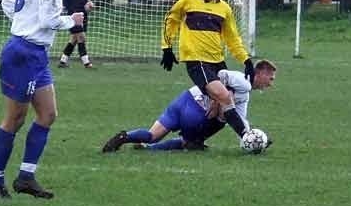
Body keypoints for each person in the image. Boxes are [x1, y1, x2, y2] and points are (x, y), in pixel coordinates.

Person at [0, 0, 85, 200]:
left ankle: (26, 177)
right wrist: (72, 21)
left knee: (48, 114)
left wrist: (23, 22)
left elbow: (7, 3)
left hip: (34, 53)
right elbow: (49, 20)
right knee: (14, 119)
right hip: (24, 53)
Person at [160, 0, 255, 142]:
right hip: (197, 61)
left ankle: (192, 140)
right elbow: (170, 21)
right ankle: (247, 136)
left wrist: (246, 60)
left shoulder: (224, 9)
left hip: (217, 62)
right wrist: (167, 47)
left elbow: (232, 39)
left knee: (221, 108)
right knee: (225, 97)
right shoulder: (187, 1)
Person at [102, 60, 277, 152]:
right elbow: (221, 74)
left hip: (184, 99)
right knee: (209, 128)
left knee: (151, 135)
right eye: (270, 79)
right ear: (260, 73)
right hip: (196, 110)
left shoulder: (244, 95)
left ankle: (124, 138)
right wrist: (218, 99)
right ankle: (189, 143)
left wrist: (251, 139)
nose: (271, 84)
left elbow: (241, 121)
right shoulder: (243, 82)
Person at [59, 0, 94, 68]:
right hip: (74, 15)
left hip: (84, 15)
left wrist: (89, 4)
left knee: (74, 38)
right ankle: (86, 62)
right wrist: (71, 12)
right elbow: (64, 0)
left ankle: (63, 61)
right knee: (81, 37)